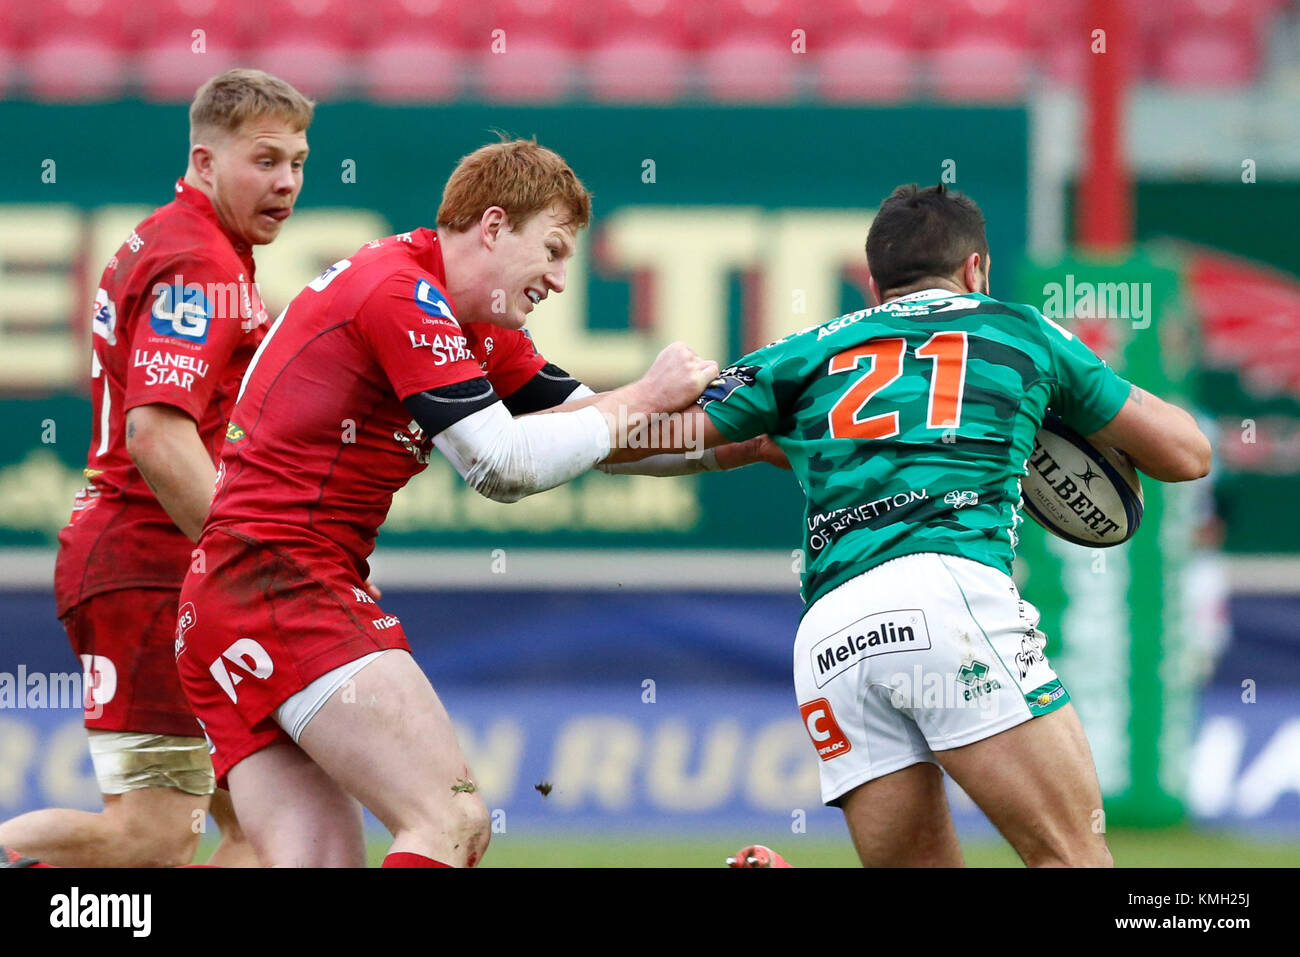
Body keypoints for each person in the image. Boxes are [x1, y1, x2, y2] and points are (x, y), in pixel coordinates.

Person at [612, 183, 1211, 867]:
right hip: (947, 594)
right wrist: (1049, 408)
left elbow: (644, 442)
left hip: (832, 635)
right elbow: (1187, 454)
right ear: (975, 269)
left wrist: (530, 430)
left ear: (874, 284)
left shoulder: (806, 351)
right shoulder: (1017, 331)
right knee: (1074, 857)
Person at [174, 139, 735, 868]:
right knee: (452, 819)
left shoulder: (469, 322)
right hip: (284, 582)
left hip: (227, 600)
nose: (561, 280)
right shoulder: (401, 292)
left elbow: (608, 432)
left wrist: (754, 439)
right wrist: (644, 394)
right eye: (554, 250)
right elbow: (501, 464)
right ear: (494, 226)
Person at [0, 69, 314, 868]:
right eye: (266, 160)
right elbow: (158, 434)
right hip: (151, 565)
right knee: (149, 834)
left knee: (275, 824)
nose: (286, 183)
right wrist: (249, 554)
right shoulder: (199, 264)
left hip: (148, 559)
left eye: (299, 163)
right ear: (206, 163)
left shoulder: (184, 240)